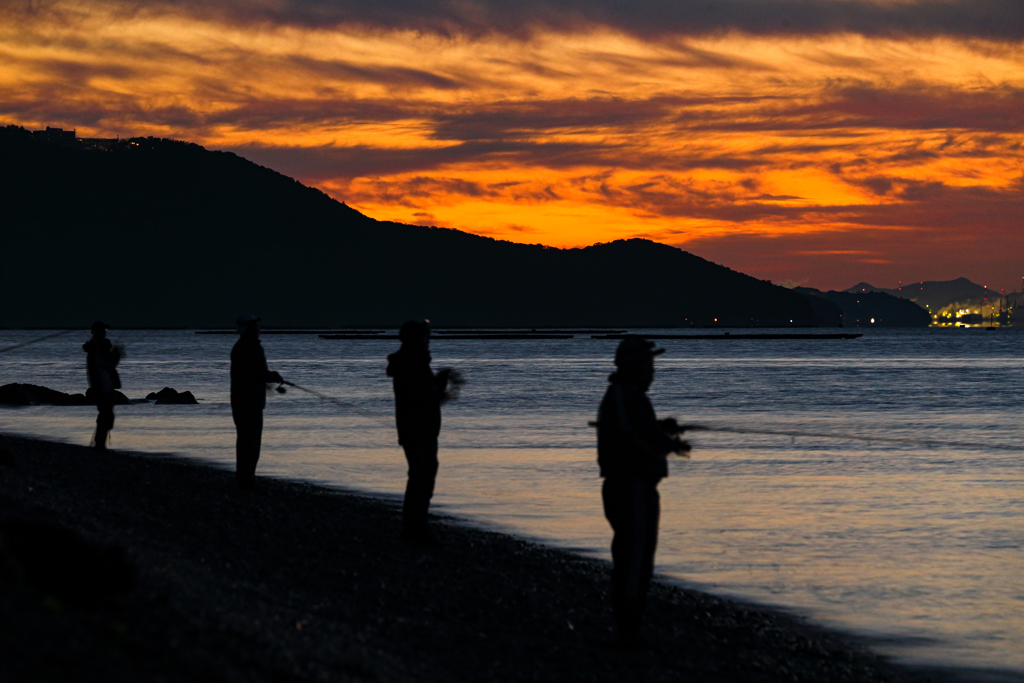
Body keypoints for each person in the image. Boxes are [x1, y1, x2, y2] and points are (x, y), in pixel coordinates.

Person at [596, 335, 690, 646]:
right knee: (634, 558)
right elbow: (637, 437)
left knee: (637, 555)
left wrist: (662, 430)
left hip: (637, 486)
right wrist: (669, 444)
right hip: (630, 486)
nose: (652, 371)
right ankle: (627, 625)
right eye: (648, 364)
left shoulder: (630, 396)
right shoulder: (624, 396)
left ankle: (630, 620)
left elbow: (638, 430)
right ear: (633, 366)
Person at [386, 320, 450, 544]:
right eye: (425, 337)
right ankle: (415, 527)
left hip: (416, 429)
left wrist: (438, 384)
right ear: (416, 339)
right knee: (422, 476)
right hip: (419, 429)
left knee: (420, 475)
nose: (428, 341)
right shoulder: (414, 363)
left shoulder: (410, 362)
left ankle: (414, 525)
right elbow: (424, 399)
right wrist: (443, 388)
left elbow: (424, 394)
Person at [230, 314, 283, 490]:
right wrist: (274, 376)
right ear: (251, 329)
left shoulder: (238, 347)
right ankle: (247, 479)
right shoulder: (254, 348)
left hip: (238, 401)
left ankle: (243, 477)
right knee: (252, 442)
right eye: (257, 327)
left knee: (243, 440)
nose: (260, 330)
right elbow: (261, 374)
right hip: (251, 403)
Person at [83, 320, 122, 450]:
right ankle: (100, 444)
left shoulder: (98, 346)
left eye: (104, 331)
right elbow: (109, 364)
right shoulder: (96, 347)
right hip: (101, 386)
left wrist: (116, 355)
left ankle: (100, 443)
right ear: (94, 332)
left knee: (106, 414)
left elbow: (109, 364)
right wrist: (117, 355)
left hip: (106, 385)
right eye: (100, 331)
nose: (103, 333)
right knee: (106, 414)